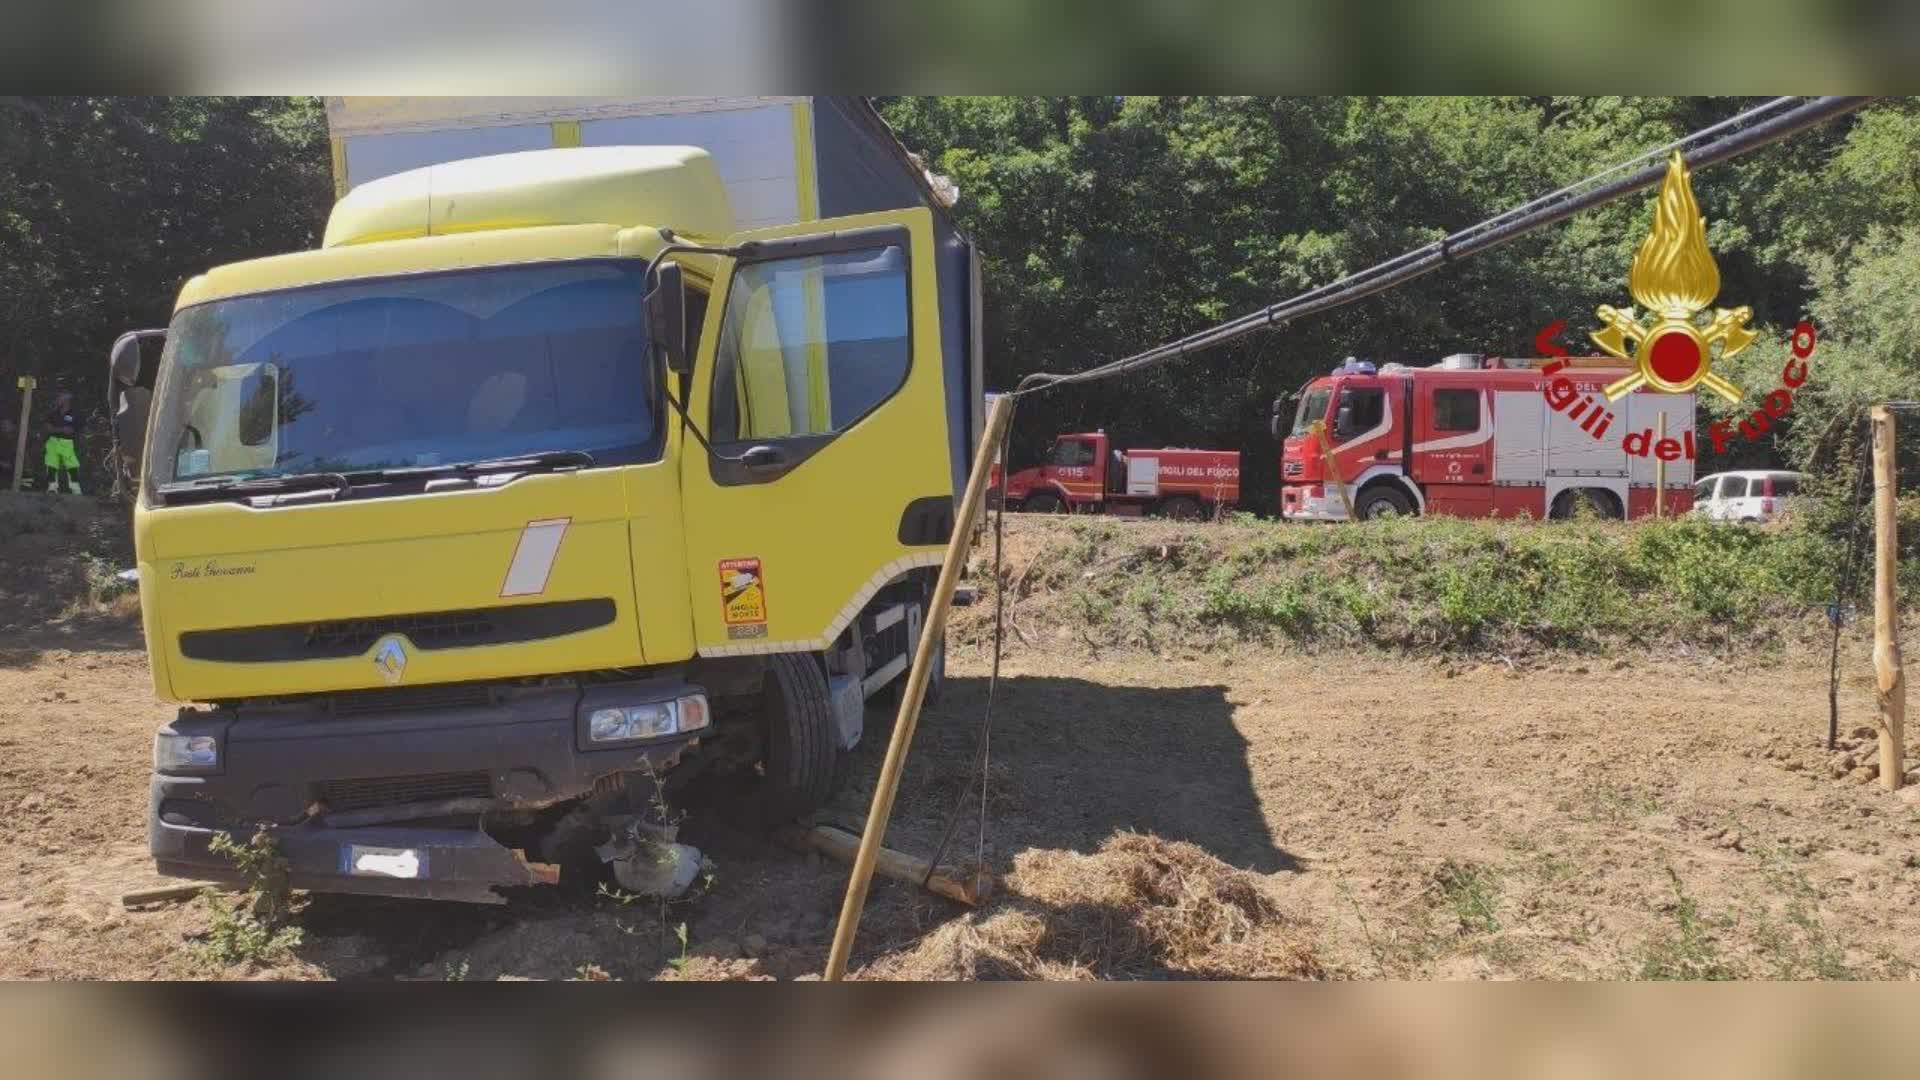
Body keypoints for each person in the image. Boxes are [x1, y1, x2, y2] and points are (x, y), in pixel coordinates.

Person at [42, 389, 82, 495]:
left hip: (67, 443)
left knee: (72, 465)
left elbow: (71, 430)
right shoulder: (52, 413)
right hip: (52, 441)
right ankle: (52, 487)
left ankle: (76, 488)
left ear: (67, 398)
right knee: (51, 464)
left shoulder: (75, 414)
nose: (58, 399)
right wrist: (61, 429)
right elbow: (47, 428)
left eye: (60, 397)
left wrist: (55, 429)